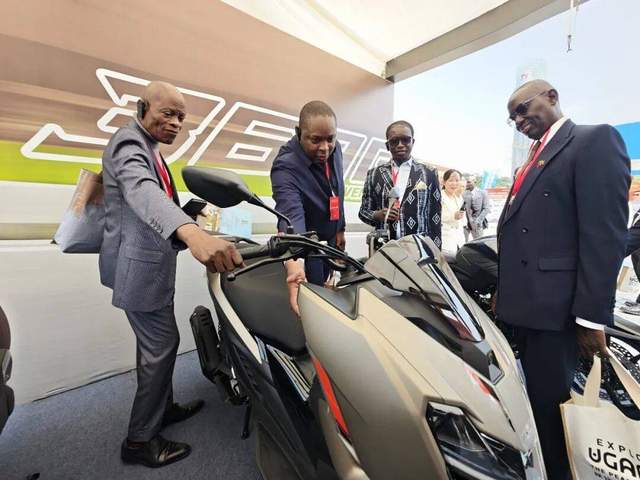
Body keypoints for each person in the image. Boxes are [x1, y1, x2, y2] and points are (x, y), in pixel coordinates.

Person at [99, 81, 243, 468]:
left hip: (151, 267)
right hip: (138, 270)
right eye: (168, 113)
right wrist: (192, 233)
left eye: (181, 116)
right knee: (161, 346)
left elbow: (155, 199)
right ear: (142, 108)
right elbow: (141, 191)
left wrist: (189, 211)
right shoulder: (128, 143)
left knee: (155, 347)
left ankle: (161, 411)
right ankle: (139, 441)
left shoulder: (150, 147)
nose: (177, 123)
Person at [496, 79, 630, 479]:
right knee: (535, 409)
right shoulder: (532, 159)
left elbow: (603, 237)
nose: (519, 120)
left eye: (523, 109)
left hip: (557, 314)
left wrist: (590, 318)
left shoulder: (593, 141)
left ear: (552, 97)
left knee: (554, 417)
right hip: (524, 311)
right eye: (512, 117)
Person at [270, 101, 346, 315]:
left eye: (330, 139)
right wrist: (295, 265)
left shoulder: (336, 148)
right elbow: (290, 215)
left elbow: (338, 188)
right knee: (313, 305)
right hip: (307, 247)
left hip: (331, 240)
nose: (325, 148)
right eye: (315, 140)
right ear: (298, 133)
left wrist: (340, 228)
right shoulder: (285, 166)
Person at [358, 120, 441, 247]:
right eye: (394, 141)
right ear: (387, 145)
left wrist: (436, 251)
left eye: (406, 140)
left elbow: (435, 217)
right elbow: (363, 212)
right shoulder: (374, 174)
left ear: (413, 142)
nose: (400, 145)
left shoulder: (429, 173)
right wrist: (377, 215)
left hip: (417, 247)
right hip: (384, 247)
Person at [440, 169, 465, 253]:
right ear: (444, 182)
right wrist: (453, 216)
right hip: (444, 240)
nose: (454, 183)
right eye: (451, 180)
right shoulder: (438, 197)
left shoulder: (459, 198)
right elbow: (433, 216)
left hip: (459, 240)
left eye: (457, 180)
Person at [462, 175, 490, 241]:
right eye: (466, 182)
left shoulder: (483, 193)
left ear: (475, 181)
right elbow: (462, 208)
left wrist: (478, 221)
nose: (467, 184)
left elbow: (486, 208)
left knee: (479, 243)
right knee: (463, 244)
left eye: (469, 182)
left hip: (477, 224)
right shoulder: (463, 193)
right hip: (464, 225)